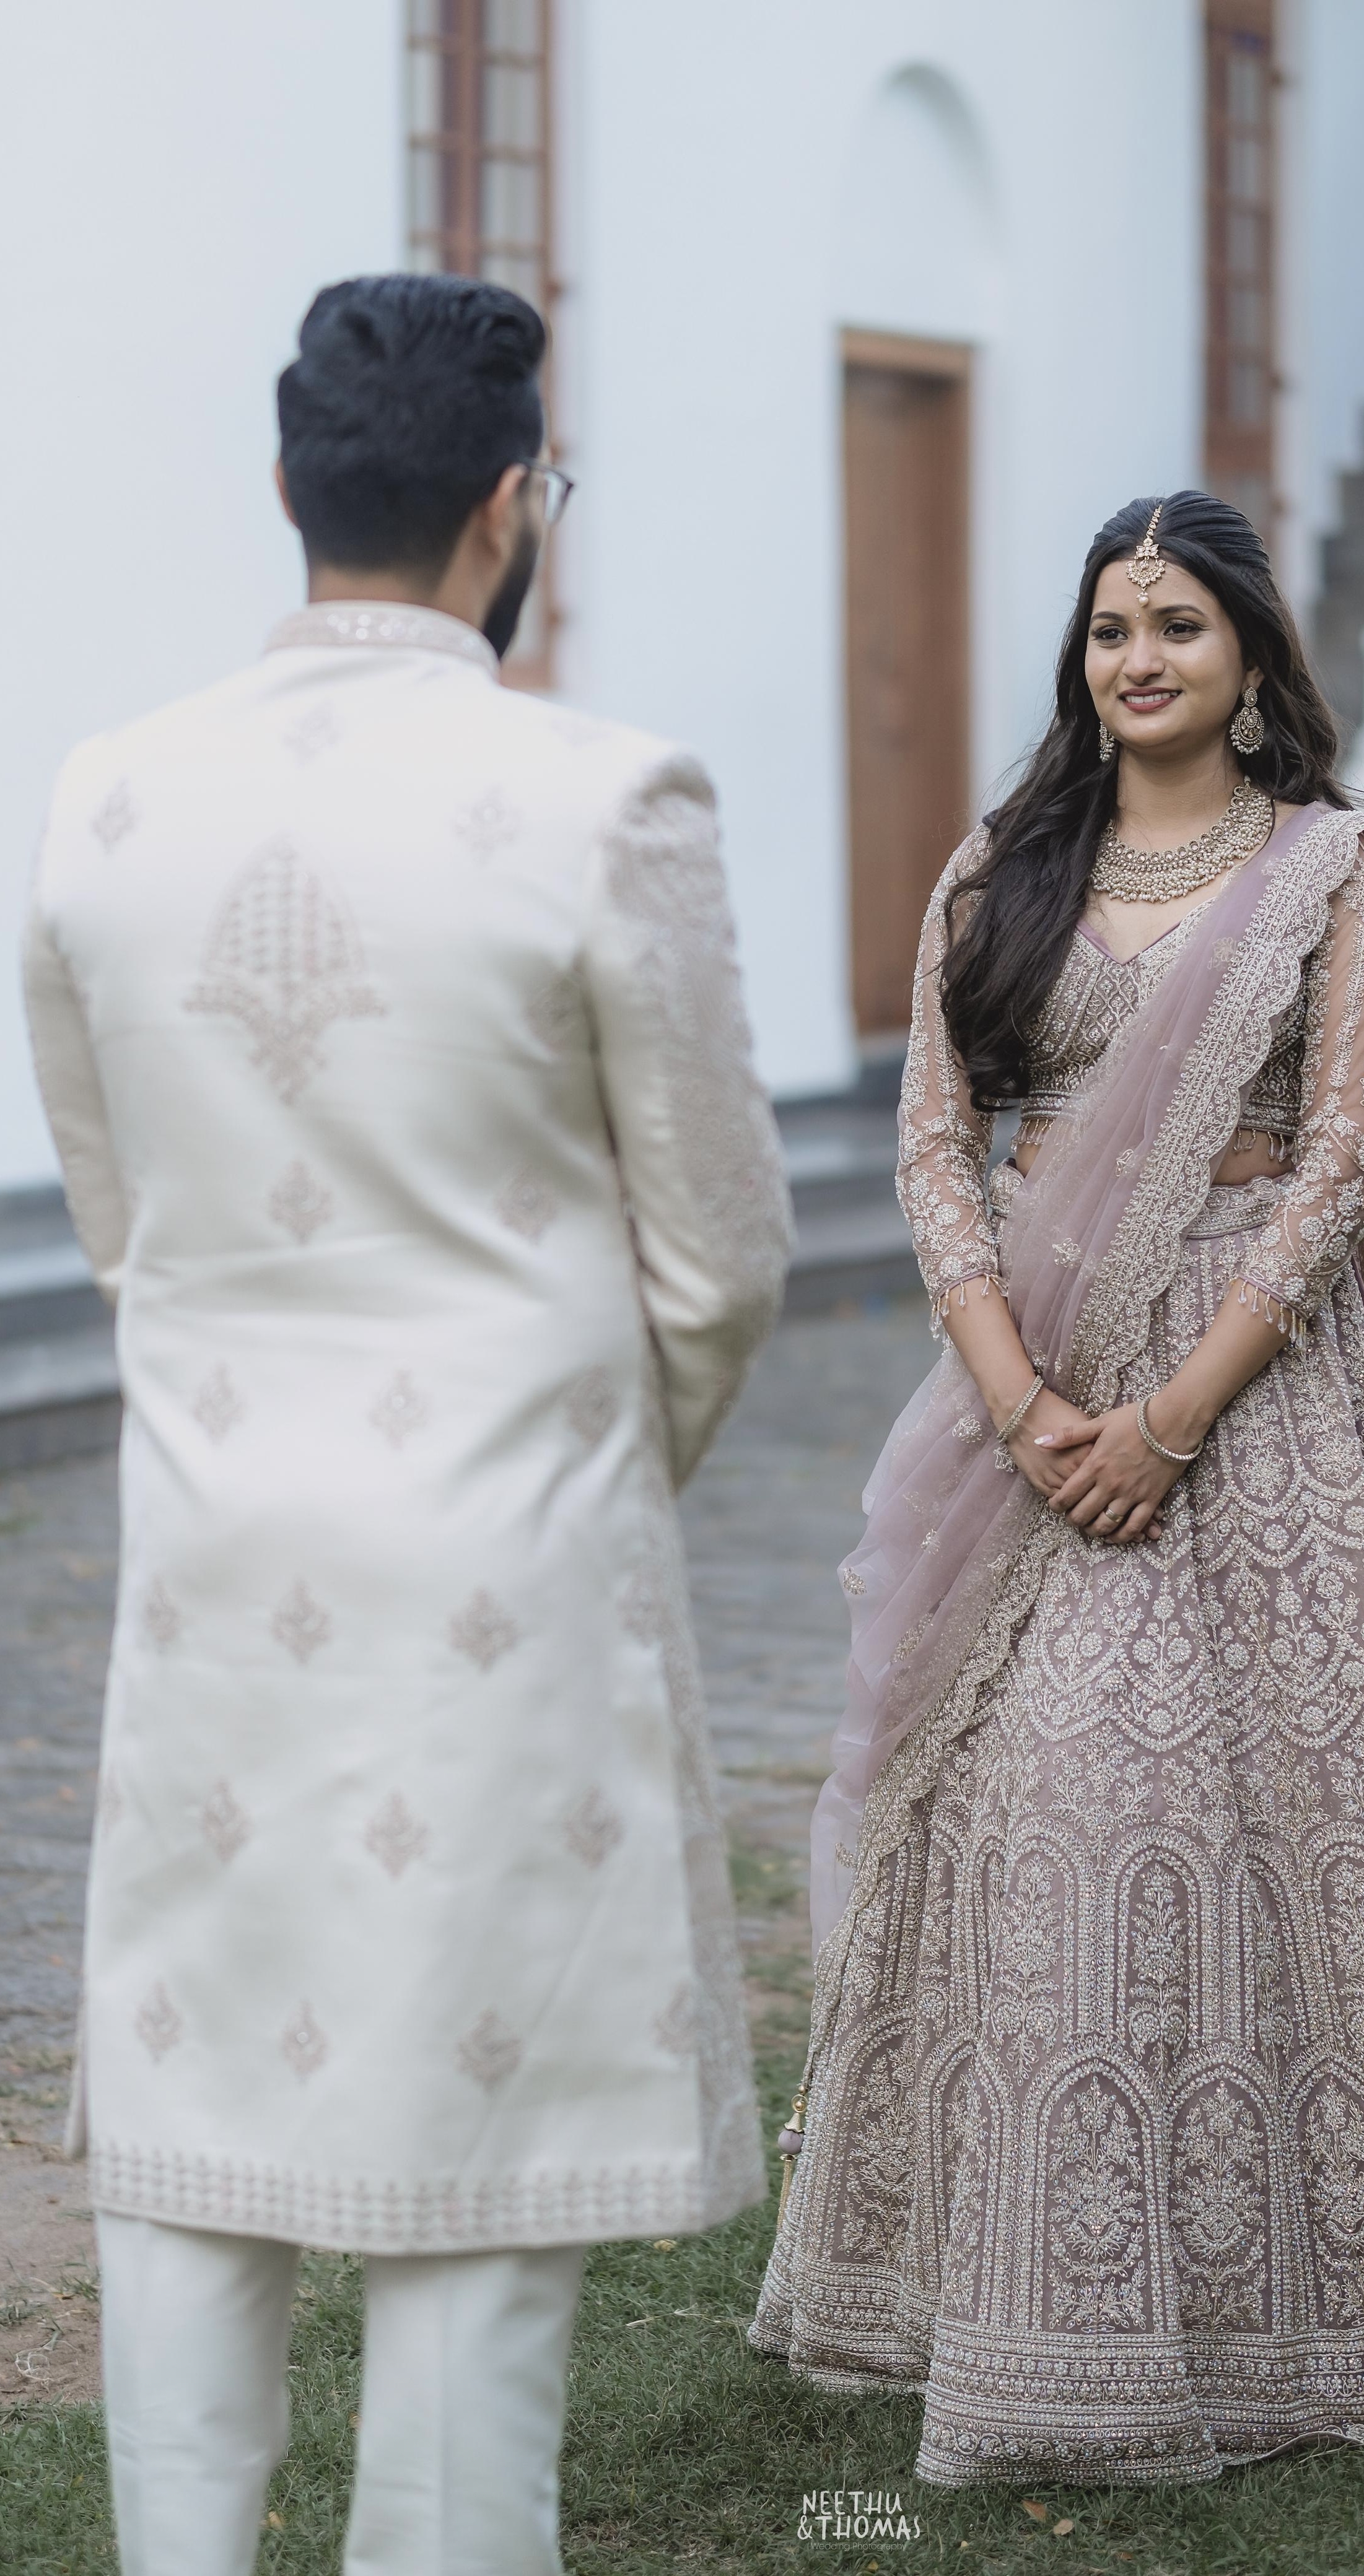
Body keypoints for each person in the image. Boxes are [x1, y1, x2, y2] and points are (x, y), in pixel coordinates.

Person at [752, 492, 1364, 2483]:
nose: (1138, 662)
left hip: (1261, 1408)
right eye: (1112, 628)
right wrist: (1028, 1403)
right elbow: (942, 1149)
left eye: (1176, 626)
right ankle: (1019, 2307)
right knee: (1062, 1810)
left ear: (1253, 656)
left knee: (1339, 1811)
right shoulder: (1003, 871)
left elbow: (1347, 1159)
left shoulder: (1336, 873)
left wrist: (1173, 1416)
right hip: (1041, 1381)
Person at [24, 272, 790, 2574]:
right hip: (507, 1552)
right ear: (506, 507)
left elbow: (123, 1219)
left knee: (190, 2093)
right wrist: (578, 1454)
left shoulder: (103, 798)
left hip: (217, 1541)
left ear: (289, 492)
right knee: (485, 2137)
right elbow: (727, 1248)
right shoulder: (603, 794)